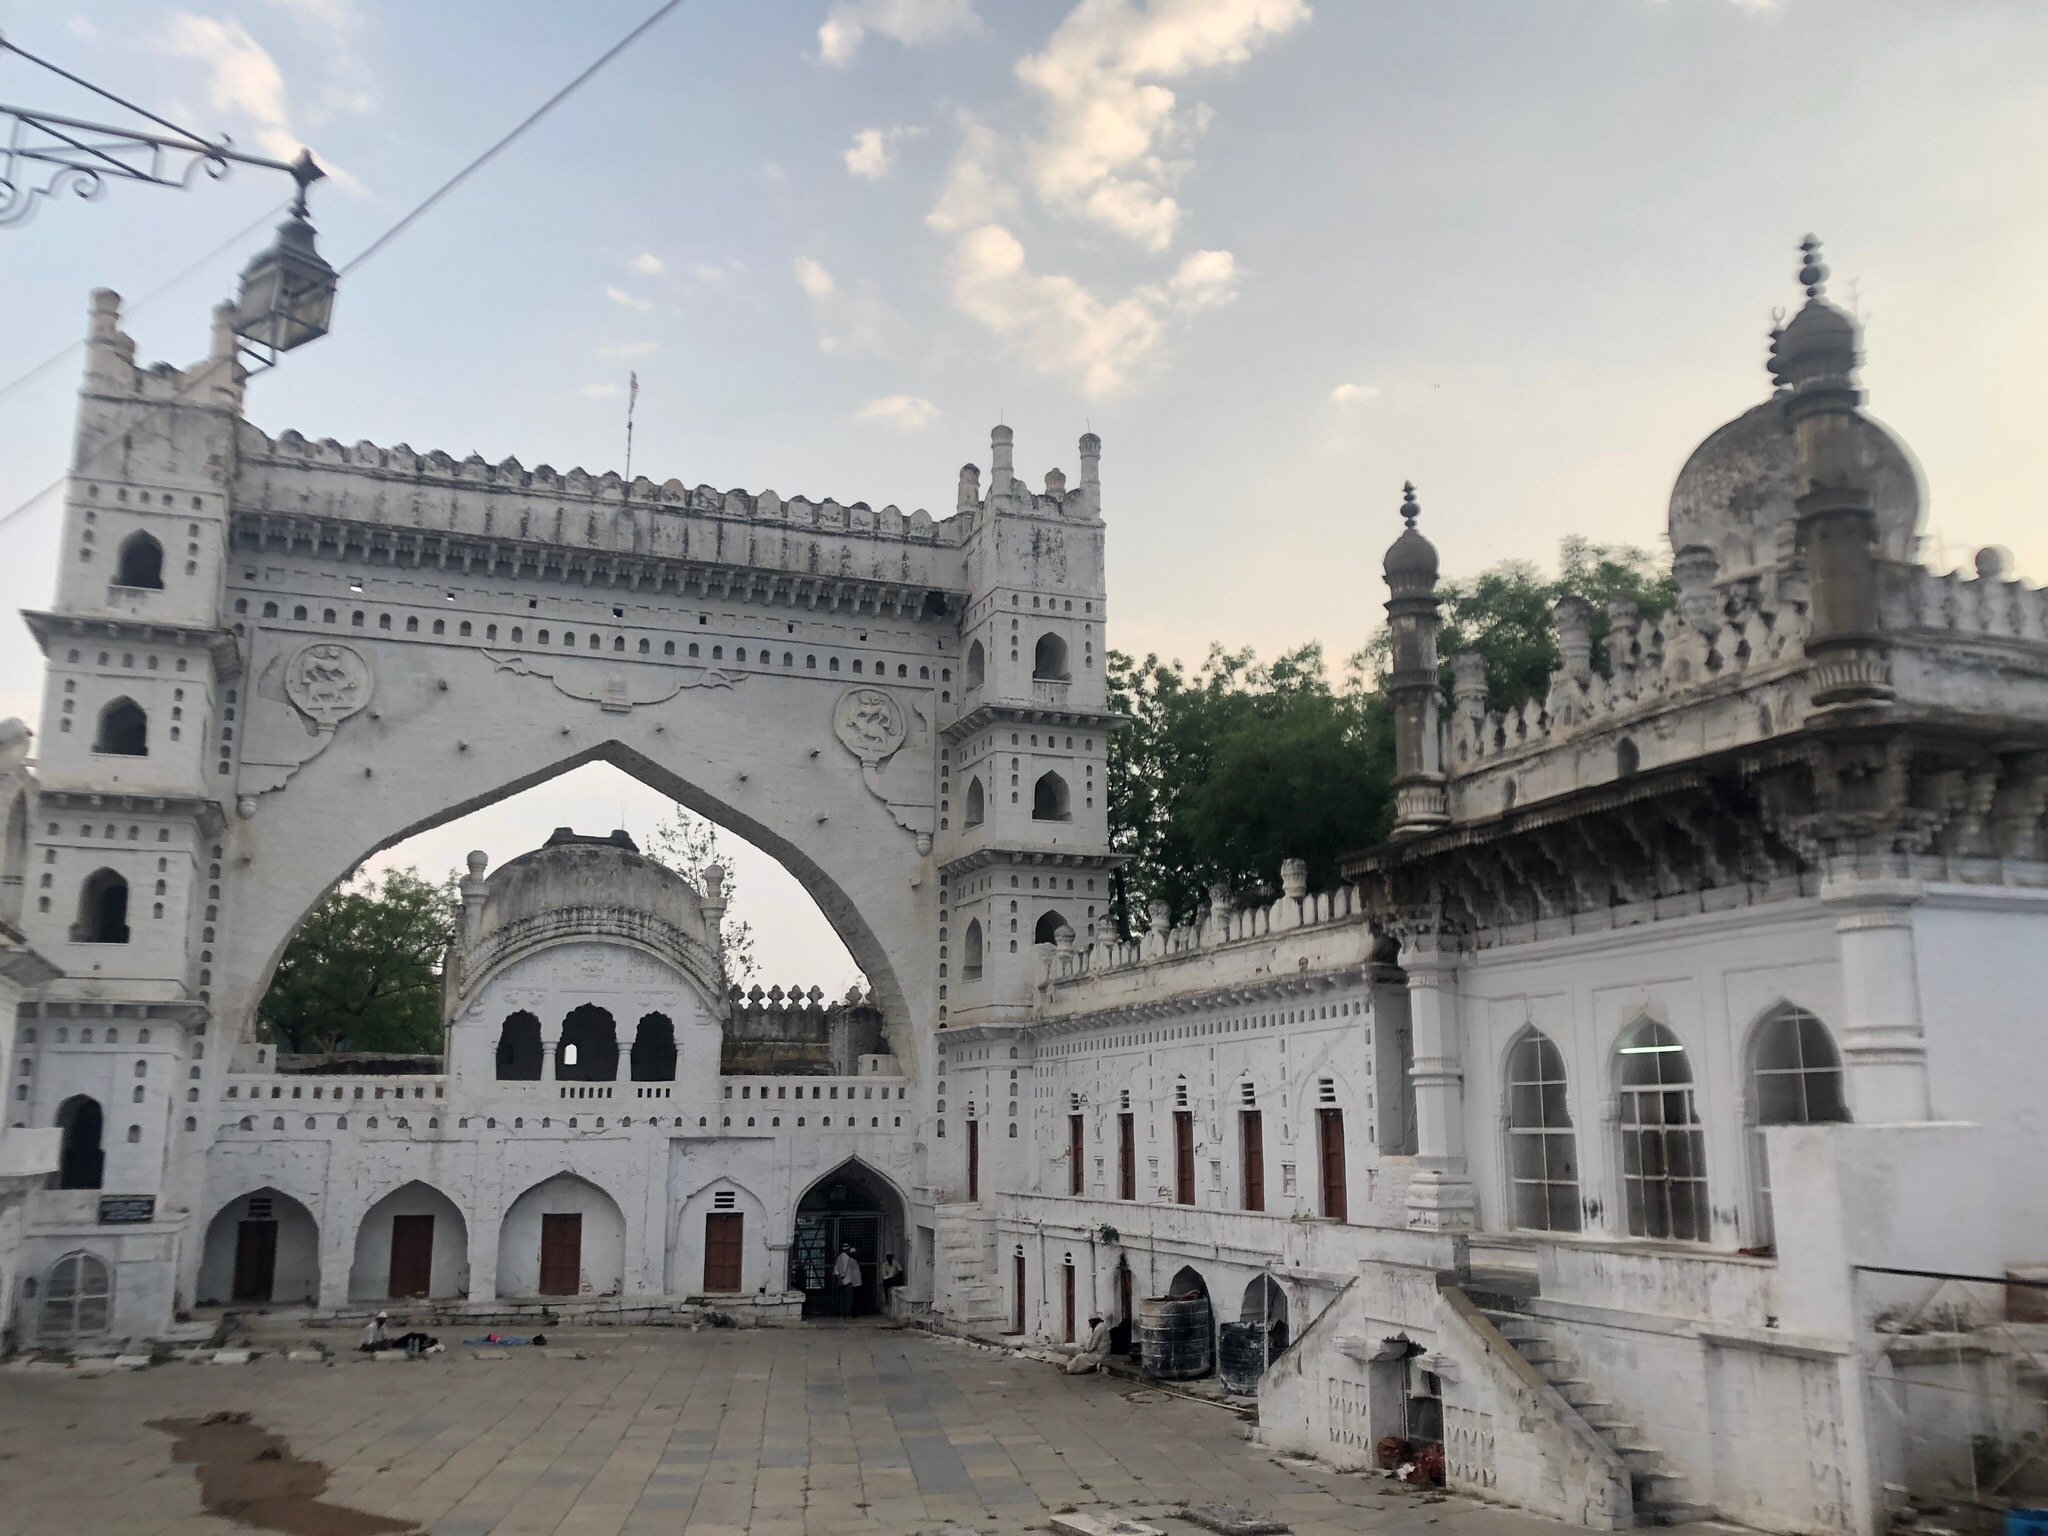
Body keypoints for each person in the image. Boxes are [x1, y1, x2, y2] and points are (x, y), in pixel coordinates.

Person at [831, 1244, 863, 1317]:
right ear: (848, 1250)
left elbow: (836, 1270)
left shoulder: (839, 1257)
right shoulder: (846, 1258)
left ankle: (842, 1313)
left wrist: (838, 1279)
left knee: (842, 1298)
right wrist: (840, 1279)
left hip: (842, 1280)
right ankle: (846, 1314)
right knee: (848, 1299)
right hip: (846, 1281)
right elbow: (843, 1270)